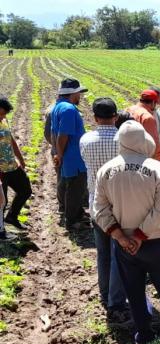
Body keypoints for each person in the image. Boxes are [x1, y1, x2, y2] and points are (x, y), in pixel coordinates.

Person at [92, 121, 160, 344]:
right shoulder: (155, 168)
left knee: (133, 290)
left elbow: (100, 209)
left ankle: (144, 334)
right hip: (155, 241)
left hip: (124, 245)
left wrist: (121, 236)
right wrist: (140, 236)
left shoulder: (106, 171)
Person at [79, 98, 127, 313]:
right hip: (121, 203)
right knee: (120, 252)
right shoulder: (122, 140)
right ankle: (116, 299)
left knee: (103, 252)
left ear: (95, 118)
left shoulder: (86, 139)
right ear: (115, 116)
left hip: (96, 203)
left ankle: (104, 291)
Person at [50, 78, 89, 230]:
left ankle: (78, 213)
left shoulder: (58, 107)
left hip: (67, 156)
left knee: (71, 186)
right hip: (73, 158)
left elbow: (54, 134)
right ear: (73, 93)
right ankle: (72, 221)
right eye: (79, 93)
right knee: (75, 188)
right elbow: (62, 135)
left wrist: (57, 153)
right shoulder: (69, 109)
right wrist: (60, 155)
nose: (80, 96)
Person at [0, 97, 32, 231]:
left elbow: (11, 139)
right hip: (1, 170)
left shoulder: (4, 121)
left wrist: (20, 159)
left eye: (4, 114)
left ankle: (12, 217)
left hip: (11, 165)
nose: (2, 117)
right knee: (2, 201)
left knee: (25, 190)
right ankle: (1, 231)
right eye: (0, 114)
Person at [126, 90, 160, 168]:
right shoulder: (147, 117)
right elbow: (154, 142)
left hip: (129, 155)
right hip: (145, 157)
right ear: (153, 102)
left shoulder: (129, 109)